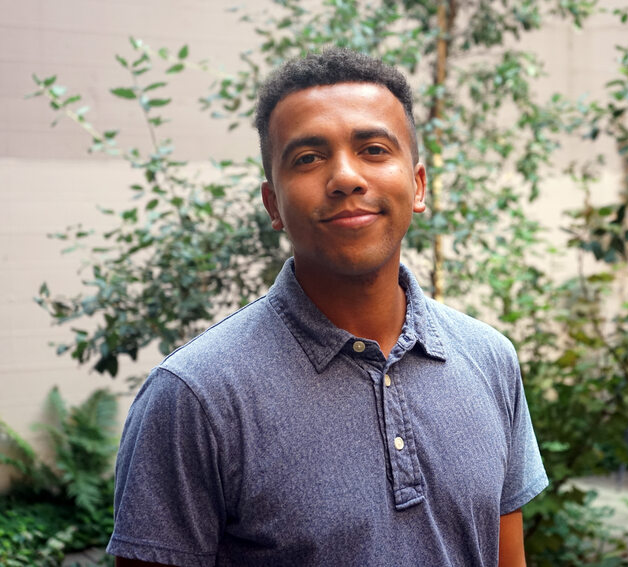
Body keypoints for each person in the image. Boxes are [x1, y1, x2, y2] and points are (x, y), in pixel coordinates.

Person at [107, 47, 548, 567]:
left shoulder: (490, 358)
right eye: (309, 158)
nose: (345, 177)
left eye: (375, 149)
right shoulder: (195, 398)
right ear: (273, 204)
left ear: (418, 184)